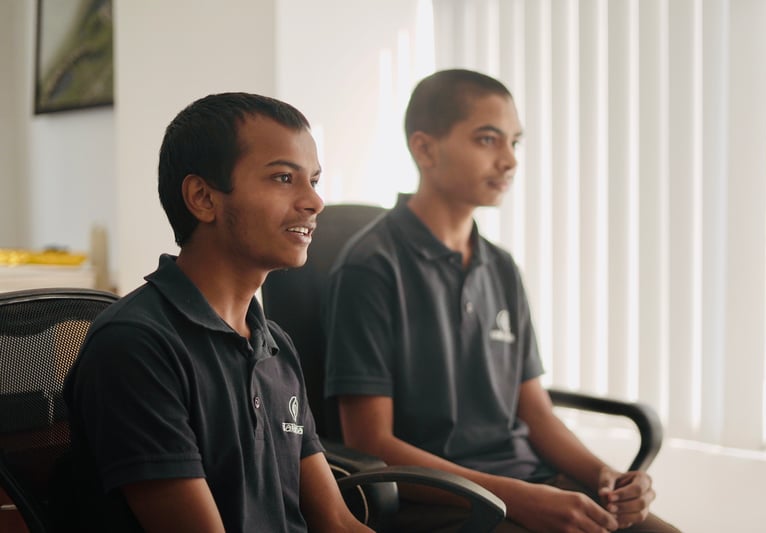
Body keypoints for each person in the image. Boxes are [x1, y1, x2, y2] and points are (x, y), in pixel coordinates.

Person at [323, 69, 680, 532]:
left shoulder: (501, 267)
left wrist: (604, 476)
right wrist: (518, 500)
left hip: (528, 482)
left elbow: (535, 412)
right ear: (425, 148)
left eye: (515, 142)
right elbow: (372, 442)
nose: (509, 160)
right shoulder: (371, 267)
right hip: (447, 500)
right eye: (488, 140)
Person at [64, 92, 372, 532]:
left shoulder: (274, 346)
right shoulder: (136, 346)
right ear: (203, 198)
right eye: (284, 178)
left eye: (314, 181)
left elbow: (337, 523)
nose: (313, 202)